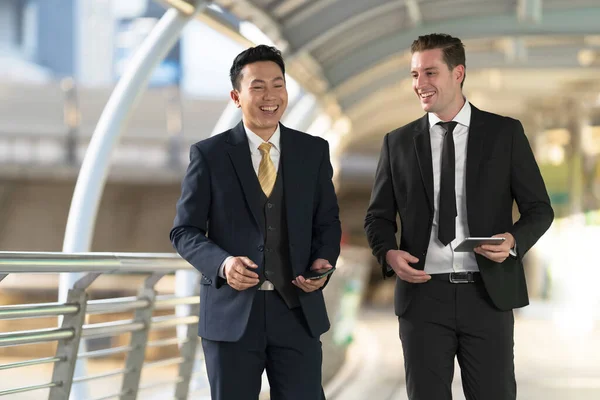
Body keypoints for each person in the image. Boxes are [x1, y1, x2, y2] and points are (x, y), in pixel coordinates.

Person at [364, 33, 554, 400]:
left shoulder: (504, 134)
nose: (420, 84)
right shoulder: (397, 142)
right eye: (414, 75)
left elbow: (539, 209)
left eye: (430, 73)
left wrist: (513, 241)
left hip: (487, 294)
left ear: (458, 73)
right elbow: (377, 217)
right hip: (422, 296)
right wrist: (388, 252)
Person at [170, 44, 341, 400]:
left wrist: (324, 261)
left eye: (278, 85)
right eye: (258, 86)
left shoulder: (313, 151)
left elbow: (327, 221)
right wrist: (223, 263)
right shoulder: (209, 154)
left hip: (297, 314)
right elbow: (183, 231)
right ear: (236, 96)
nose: (270, 96)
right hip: (230, 317)